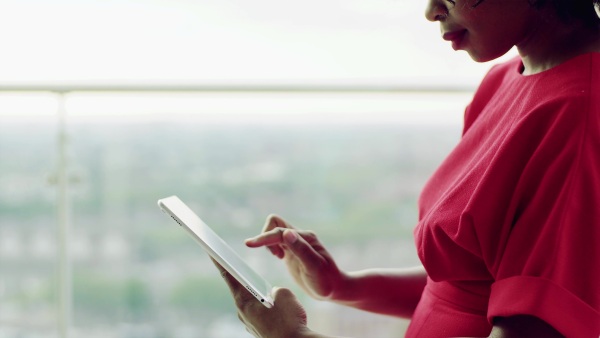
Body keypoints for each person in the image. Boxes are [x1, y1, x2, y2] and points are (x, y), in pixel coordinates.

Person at [212, 0, 600, 336]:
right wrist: (342, 286)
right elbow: (468, 288)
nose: (431, 11)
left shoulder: (578, 115)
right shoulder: (504, 80)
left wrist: (292, 337)